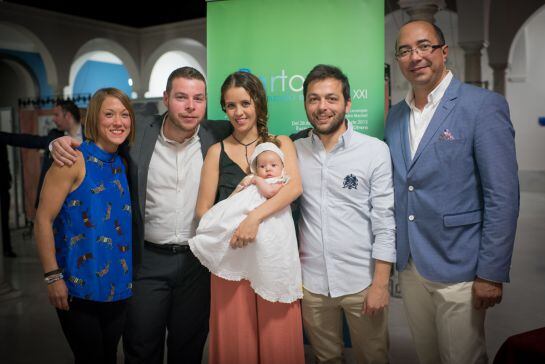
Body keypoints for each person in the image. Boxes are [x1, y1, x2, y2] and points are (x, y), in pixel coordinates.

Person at [51, 67, 232, 364]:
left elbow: (257, 136)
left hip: (197, 264)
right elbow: (100, 139)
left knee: (189, 346)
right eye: (181, 97)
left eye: (198, 98)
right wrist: (58, 142)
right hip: (146, 262)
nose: (190, 106)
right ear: (165, 99)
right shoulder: (137, 133)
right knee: (141, 345)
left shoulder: (218, 134)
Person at [384, 20, 519, 364]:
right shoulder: (396, 117)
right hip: (412, 264)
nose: (415, 56)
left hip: (461, 263)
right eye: (405, 50)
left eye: (424, 46)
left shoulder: (481, 106)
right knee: (427, 355)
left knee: (463, 357)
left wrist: (490, 272)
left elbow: (502, 195)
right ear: (398, 60)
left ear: (443, 52)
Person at [195, 71, 305, 364]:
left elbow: (293, 187)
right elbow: (203, 211)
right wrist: (232, 223)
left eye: (245, 103)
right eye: (231, 105)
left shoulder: (281, 143)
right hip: (233, 258)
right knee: (236, 345)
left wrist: (253, 218)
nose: (238, 112)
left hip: (274, 259)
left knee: (279, 343)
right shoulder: (216, 152)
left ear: (258, 102)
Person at [291, 64, 395, 364]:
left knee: (373, 357)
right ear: (306, 104)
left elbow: (385, 222)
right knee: (325, 358)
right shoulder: (293, 151)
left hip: (361, 283)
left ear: (347, 103)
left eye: (331, 98)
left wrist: (380, 284)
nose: (322, 107)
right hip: (311, 285)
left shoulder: (374, 151)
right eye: (313, 99)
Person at [34, 88, 135, 364]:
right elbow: (43, 219)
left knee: (109, 357)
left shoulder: (123, 162)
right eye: (109, 114)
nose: (118, 121)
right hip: (78, 289)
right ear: (94, 119)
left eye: (125, 114)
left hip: (118, 287)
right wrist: (52, 277)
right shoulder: (72, 159)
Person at [189, 141, 302, 303]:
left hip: (267, 237)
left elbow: (279, 191)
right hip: (235, 243)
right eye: (262, 166)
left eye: (273, 165)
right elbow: (230, 199)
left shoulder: (278, 180)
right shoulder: (219, 152)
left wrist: (256, 181)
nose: (268, 169)